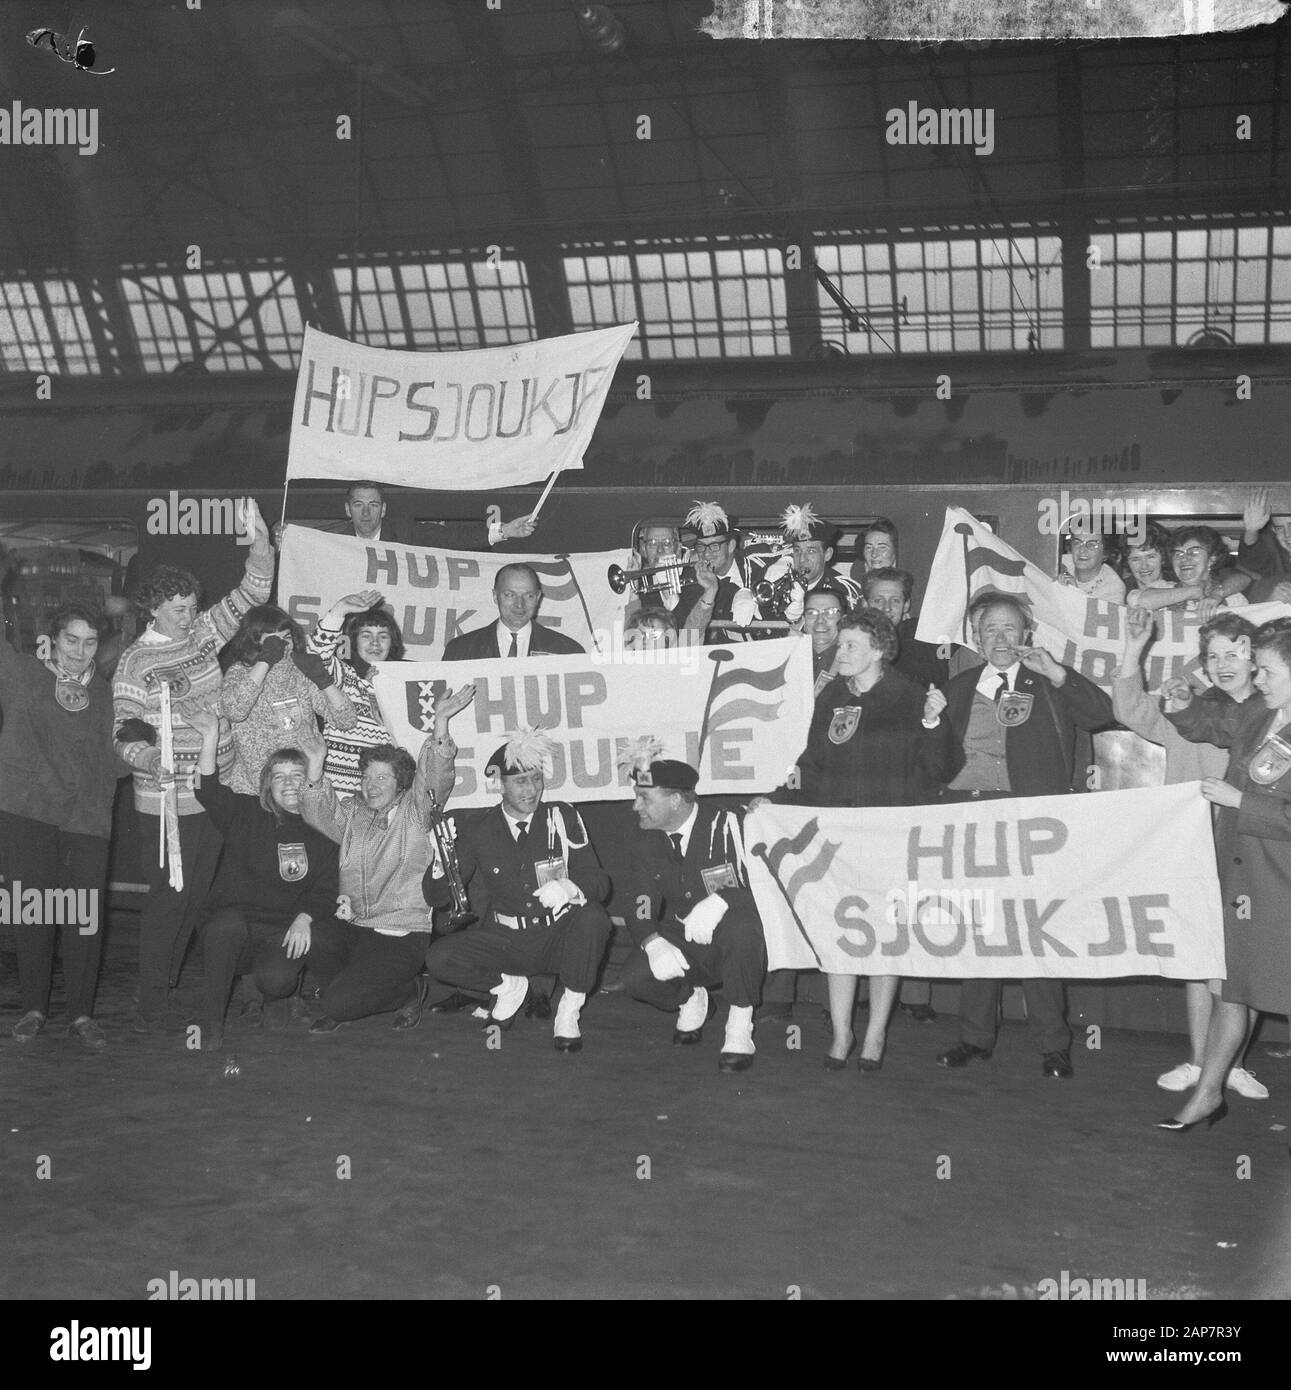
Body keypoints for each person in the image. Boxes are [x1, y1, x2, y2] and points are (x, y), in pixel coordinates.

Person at [931, 593, 1114, 1079]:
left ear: (1027, 634)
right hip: (966, 817)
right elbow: (936, 755)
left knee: (1033, 931)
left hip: (1029, 821)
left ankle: (1053, 1043)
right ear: (975, 638)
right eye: (989, 630)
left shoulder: (1047, 680)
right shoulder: (960, 684)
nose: (1000, 639)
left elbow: (1100, 714)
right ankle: (975, 1036)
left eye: (1010, 629)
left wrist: (1058, 674)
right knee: (977, 929)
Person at [760, 610, 950, 1070]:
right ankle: (842, 1031)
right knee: (842, 929)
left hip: (889, 836)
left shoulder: (910, 695)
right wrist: (772, 798)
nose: (838, 652)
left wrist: (932, 725)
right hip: (838, 835)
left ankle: (876, 1032)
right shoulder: (831, 697)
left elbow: (939, 770)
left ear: (879, 651)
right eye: (840, 644)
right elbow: (812, 760)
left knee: (884, 934)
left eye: (849, 646)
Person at [113, 501, 276, 1032]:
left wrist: (259, 543)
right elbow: (125, 727)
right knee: (167, 901)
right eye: (178, 608)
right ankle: (152, 1000)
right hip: (165, 800)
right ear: (153, 610)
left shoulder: (204, 633)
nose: (189, 615)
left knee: (197, 897)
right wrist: (147, 757)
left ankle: (168, 985)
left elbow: (253, 593)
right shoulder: (136, 661)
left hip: (214, 788)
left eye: (191, 606)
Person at [1115, 605, 1268, 1101]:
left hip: (1255, 851)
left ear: (1257, 661)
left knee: (1244, 962)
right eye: (1213, 654)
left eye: (1235, 653)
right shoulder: (1190, 708)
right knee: (1200, 958)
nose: (1223, 663)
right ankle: (1201, 1061)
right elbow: (1129, 709)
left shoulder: (1276, 716)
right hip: (1195, 850)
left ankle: (1233, 1066)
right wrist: (1134, 649)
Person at [1158, 621, 1291, 1128]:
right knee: (1233, 990)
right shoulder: (1260, 712)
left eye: (1268, 670)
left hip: (1284, 882)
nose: (1256, 678)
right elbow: (1211, 724)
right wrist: (1179, 705)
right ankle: (1207, 1094)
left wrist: (1244, 803)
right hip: (1242, 878)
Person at [296, 684, 474, 1033]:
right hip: (354, 925)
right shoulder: (352, 812)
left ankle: (407, 991)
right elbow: (316, 813)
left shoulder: (416, 811)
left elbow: (435, 778)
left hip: (400, 933)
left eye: (381, 778)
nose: (370, 785)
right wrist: (315, 766)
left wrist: (440, 723)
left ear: (401, 783)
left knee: (336, 1004)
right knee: (315, 939)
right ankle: (351, 993)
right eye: (366, 777)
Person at [422, 729, 613, 1052]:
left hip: (557, 936)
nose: (532, 789)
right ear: (500, 785)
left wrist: (570, 887)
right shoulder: (479, 828)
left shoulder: (562, 817)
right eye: (520, 781)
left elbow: (600, 882)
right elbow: (439, 898)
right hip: (508, 940)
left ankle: (569, 1010)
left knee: (594, 917)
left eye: (536, 779)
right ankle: (510, 987)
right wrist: (441, 863)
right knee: (439, 958)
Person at [3, 603, 120, 1049]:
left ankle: (82, 1013)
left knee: (83, 916)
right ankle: (34, 1007)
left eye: (90, 642)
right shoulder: (22, 675)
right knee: (31, 911)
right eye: (71, 639)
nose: (79, 650)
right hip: (27, 812)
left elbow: (120, 767)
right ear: (52, 640)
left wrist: (145, 750)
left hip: (87, 817)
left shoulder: (108, 694)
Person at [187, 709, 339, 1051]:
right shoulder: (245, 813)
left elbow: (329, 888)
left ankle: (274, 995)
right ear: (266, 783)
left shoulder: (323, 826)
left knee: (277, 981)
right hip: (232, 928)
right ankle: (211, 1023)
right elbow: (205, 790)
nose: (288, 783)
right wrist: (210, 736)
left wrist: (305, 918)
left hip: (280, 930)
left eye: (296, 775)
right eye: (279, 776)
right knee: (226, 928)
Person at [619, 745, 766, 1073]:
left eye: (645, 798)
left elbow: (775, 886)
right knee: (635, 976)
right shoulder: (646, 839)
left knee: (743, 925)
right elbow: (639, 901)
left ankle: (741, 1024)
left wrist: (727, 899)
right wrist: (652, 942)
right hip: (687, 936)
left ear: (675, 800)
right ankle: (692, 998)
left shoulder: (733, 825)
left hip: (734, 941)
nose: (635, 806)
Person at [219, 605, 357, 795]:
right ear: (255, 641)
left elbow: (347, 720)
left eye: (287, 637)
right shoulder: (240, 672)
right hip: (254, 789)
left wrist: (324, 681)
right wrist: (265, 661)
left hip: (301, 787)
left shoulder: (301, 673)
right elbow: (234, 710)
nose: (283, 645)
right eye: (274, 640)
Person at [306, 590, 405, 798]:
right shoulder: (343, 675)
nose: (375, 643)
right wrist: (339, 611)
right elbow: (313, 657)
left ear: (392, 644)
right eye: (366, 635)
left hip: (380, 801)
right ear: (354, 642)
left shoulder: (402, 687)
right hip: (334, 798)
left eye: (383, 637)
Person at [275, 480, 537, 549]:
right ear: (347, 509)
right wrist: (284, 538)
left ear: (384, 509)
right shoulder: (333, 538)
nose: (366, 513)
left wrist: (505, 531)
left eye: (373, 505)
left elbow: (453, 537)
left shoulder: (405, 532)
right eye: (358, 505)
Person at [442, 563, 585, 660]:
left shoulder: (567, 651)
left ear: (538, 598)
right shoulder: (460, 650)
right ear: (495, 596)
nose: (519, 604)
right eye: (510, 595)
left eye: (528, 596)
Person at [674, 502, 760, 642]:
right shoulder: (690, 581)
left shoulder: (755, 565)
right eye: (701, 547)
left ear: (731, 546)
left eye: (714, 546)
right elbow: (687, 637)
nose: (706, 554)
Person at [1126, 522, 1250, 615]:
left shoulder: (1232, 598)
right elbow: (1139, 601)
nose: (1184, 558)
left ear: (1212, 559)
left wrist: (1215, 596)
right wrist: (1193, 591)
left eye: (1194, 552)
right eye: (1178, 554)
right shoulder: (1161, 588)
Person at [861, 567, 948, 691]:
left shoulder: (925, 636)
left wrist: (945, 653)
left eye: (895, 600)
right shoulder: (852, 639)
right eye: (878, 600)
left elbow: (954, 631)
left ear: (906, 605)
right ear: (865, 604)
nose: (887, 607)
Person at [622, 519, 689, 623]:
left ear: (678, 548)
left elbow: (689, 633)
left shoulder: (694, 578)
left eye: (667, 543)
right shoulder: (642, 584)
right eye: (652, 543)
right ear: (644, 549)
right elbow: (632, 630)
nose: (660, 550)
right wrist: (634, 581)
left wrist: (667, 587)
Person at [1237, 487, 1291, 604]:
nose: (1287, 534)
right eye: (1280, 528)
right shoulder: (1272, 577)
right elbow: (1251, 558)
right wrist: (1251, 531)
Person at [1056, 526, 1127, 602]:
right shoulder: (1058, 563)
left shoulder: (1113, 588)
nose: (1082, 550)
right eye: (1077, 543)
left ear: (1105, 553)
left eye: (1092, 545)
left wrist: (1075, 593)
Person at [848, 517, 900, 583]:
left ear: (896, 550)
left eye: (882, 548)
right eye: (869, 547)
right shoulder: (857, 573)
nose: (874, 554)